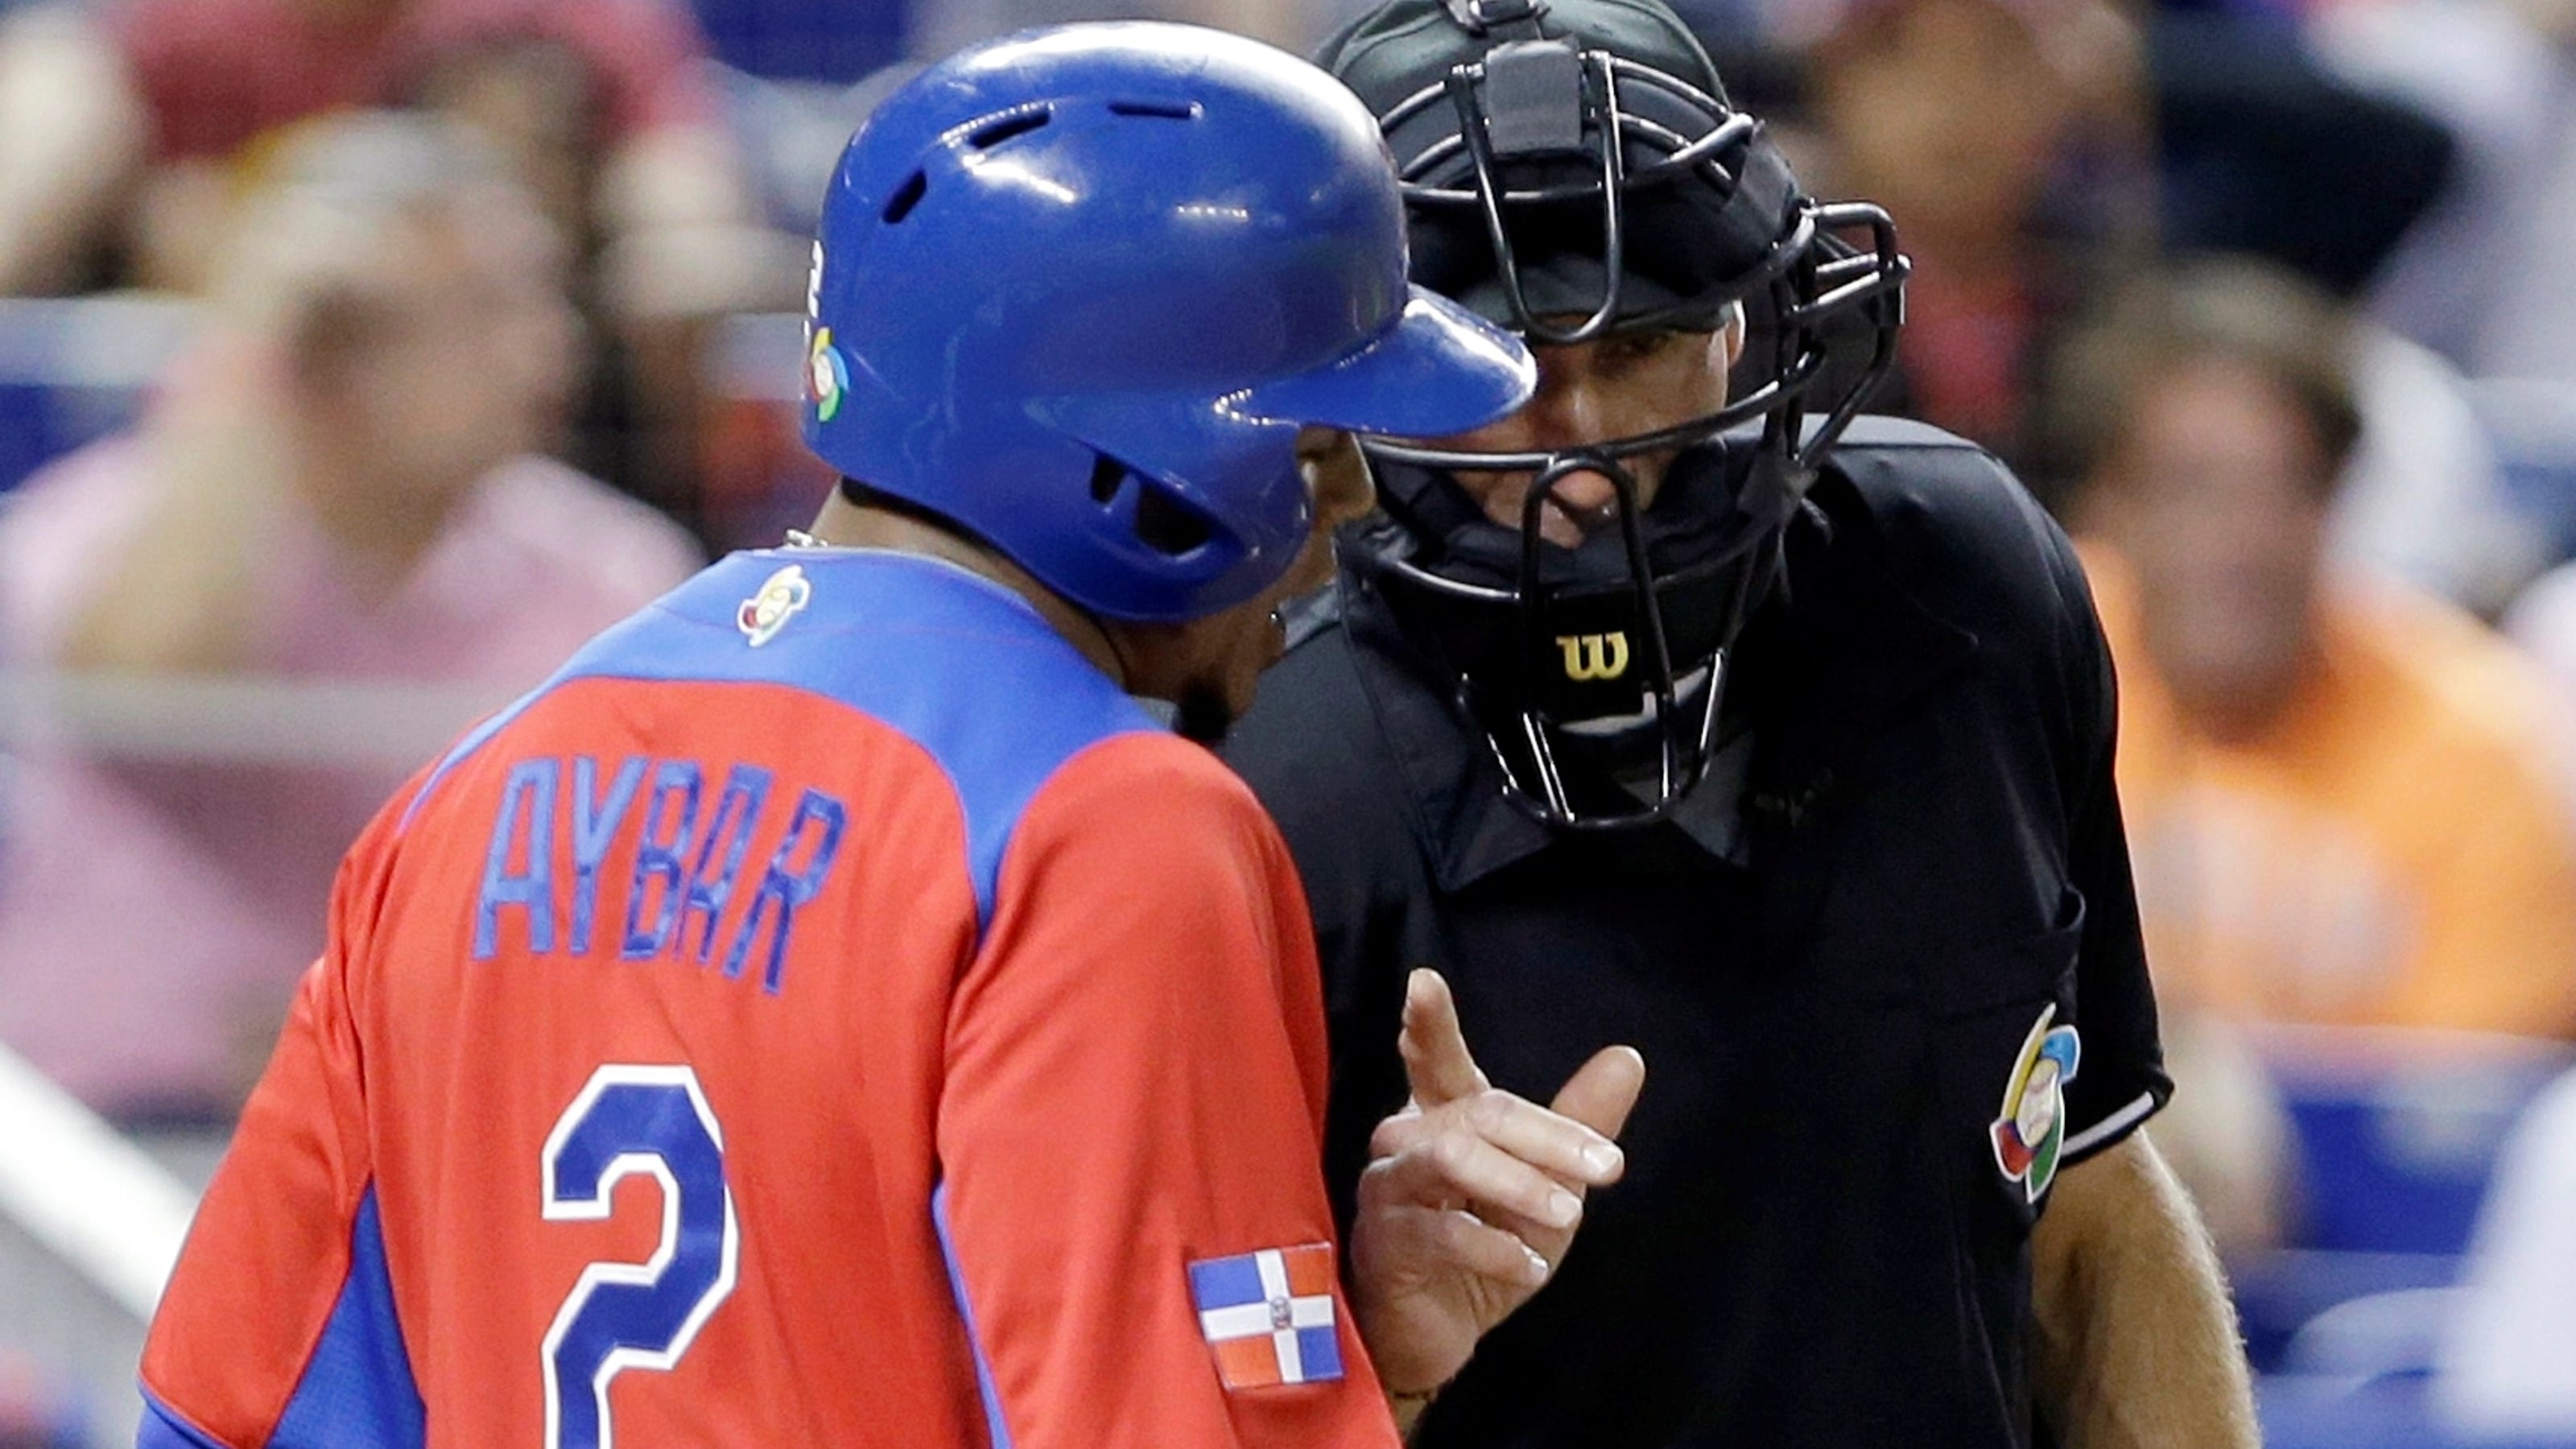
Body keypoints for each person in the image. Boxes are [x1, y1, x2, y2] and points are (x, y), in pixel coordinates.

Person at [133, 24, 1620, 1448]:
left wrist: (1353, 1329)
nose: (1346, 509)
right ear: (1150, 460)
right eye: (1313, 448)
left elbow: (221, 1412)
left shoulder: (469, 789)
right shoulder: (1105, 825)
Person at [1221, 1, 2258, 1443]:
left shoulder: (1971, 589)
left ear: (1748, 321)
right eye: (1491, 361)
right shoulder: (1247, 784)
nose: (1579, 446)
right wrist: (1383, 1358)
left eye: (1638, 341)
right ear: (1359, 378)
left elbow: (2083, 1202)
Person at [0, 113, 702, 1122]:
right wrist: (249, 347)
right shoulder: (93, 525)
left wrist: (337, 1043)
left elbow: (621, 925)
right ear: (333, 344)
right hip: (103, 1135)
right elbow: (135, 691)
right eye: (480, 309)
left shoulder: (614, 580)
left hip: (430, 1141)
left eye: (543, 298)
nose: (548, 348)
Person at [2052, 257, 2576, 1039]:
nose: (2240, 543)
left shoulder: (2477, 741)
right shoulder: (2026, 674)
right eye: (2192, 488)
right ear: (2111, 503)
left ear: (2332, 506)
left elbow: (2459, 1113)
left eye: (2283, 489)